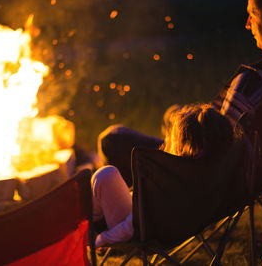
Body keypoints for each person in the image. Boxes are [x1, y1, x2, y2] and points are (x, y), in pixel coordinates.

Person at [98, 0, 262, 191]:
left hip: (205, 183)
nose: (247, 24)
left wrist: (184, 131)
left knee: (112, 138)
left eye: (252, 14)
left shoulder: (254, 82)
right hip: (258, 173)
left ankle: (122, 210)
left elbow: (212, 153)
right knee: (173, 114)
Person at [92, 104, 234, 247]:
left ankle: (87, 227)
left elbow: (132, 225)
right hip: (167, 226)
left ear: (187, 146)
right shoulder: (213, 171)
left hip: (135, 231)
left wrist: (102, 239)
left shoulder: (173, 177)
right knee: (172, 112)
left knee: (106, 174)